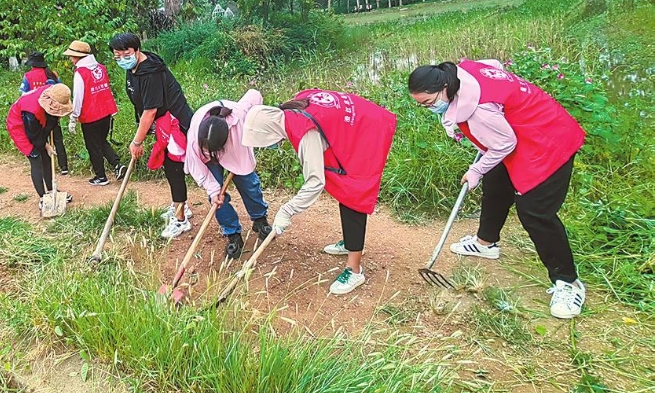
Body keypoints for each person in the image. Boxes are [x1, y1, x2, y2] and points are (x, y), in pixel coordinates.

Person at [408, 59, 587, 319]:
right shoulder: (462, 72)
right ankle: (485, 243)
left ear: (445, 87)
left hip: (548, 141)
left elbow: (504, 145)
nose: (428, 108)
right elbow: (493, 65)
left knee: (534, 211)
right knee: (496, 182)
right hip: (521, 131)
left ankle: (568, 282)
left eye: (428, 102)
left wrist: (477, 169)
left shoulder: (480, 110)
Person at [242, 90, 396, 295]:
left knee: (353, 193)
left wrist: (287, 210)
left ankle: (355, 269)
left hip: (368, 130)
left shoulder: (305, 132)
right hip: (363, 120)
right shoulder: (293, 105)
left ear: (268, 133)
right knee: (344, 188)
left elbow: (315, 182)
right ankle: (351, 243)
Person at [109, 32, 195, 239]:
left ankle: (181, 219)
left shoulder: (150, 73)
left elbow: (150, 110)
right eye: (116, 56)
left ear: (137, 50)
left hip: (175, 125)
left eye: (126, 54)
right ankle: (180, 205)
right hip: (162, 124)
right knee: (171, 169)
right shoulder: (135, 67)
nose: (122, 59)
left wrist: (137, 141)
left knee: (173, 168)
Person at [184, 89, 272, 260]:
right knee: (216, 198)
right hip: (208, 158)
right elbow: (197, 165)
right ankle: (232, 233)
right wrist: (213, 190)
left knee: (249, 183)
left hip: (235, 148)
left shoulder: (239, 117)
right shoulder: (195, 135)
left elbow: (254, 94)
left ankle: (260, 220)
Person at [63, 40, 125, 185]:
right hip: (106, 112)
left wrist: (74, 117)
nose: (71, 59)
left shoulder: (81, 73)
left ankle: (101, 177)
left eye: (72, 56)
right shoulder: (101, 68)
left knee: (92, 146)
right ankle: (117, 164)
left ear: (79, 56)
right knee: (101, 141)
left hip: (90, 115)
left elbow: (78, 97)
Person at [6, 83, 74, 203]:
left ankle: (52, 190)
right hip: (20, 126)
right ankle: (43, 197)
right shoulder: (31, 113)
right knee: (36, 157)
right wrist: (46, 145)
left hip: (38, 123)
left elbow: (48, 124)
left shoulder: (54, 91)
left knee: (47, 158)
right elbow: (34, 136)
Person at [20, 52, 68, 174]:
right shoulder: (53, 74)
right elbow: (61, 91)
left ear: (32, 64)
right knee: (58, 139)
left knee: (42, 139)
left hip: (37, 114)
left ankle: (45, 165)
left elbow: (23, 95)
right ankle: (64, 167)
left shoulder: (28, 76)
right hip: (53, 112)